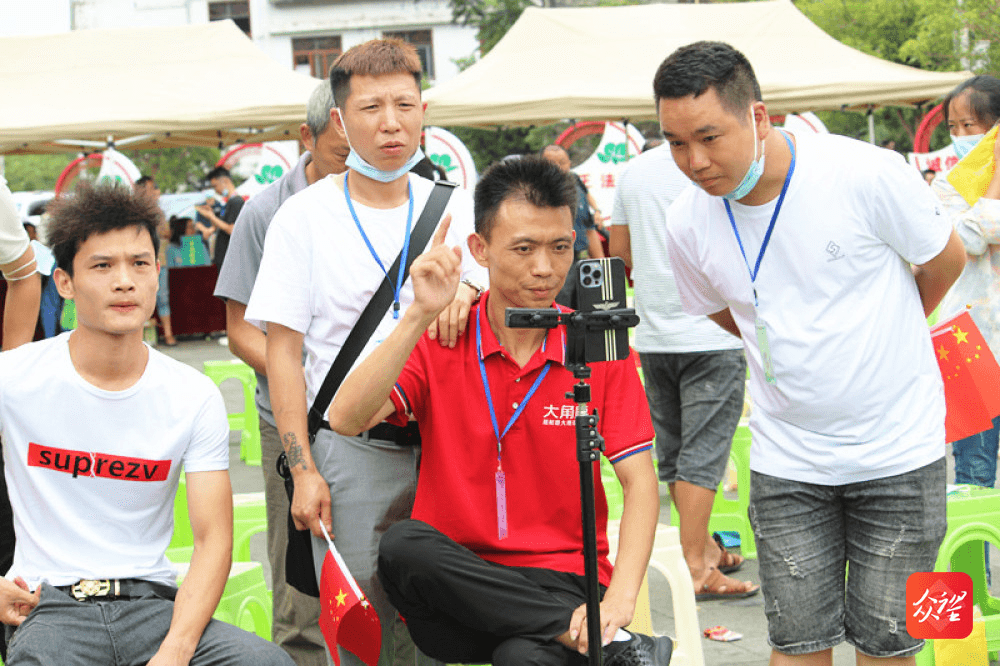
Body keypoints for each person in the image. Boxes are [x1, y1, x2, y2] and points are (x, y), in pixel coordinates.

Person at [656, 41, 965, 665]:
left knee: (893, 644)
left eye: (710, 137)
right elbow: (730, 312)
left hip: (902, 453)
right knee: (795, 645)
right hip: (788, 461)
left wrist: (888, 331)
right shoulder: (686, 221)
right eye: (676, 143)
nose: (695, 161)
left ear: (759, 118)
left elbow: (945, 259)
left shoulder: (864, 173)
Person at [326, 155, 672, 666]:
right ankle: (614, 649)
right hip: (459, 584)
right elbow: (345, 419)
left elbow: (641, 483)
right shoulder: (443, 335)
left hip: (564, 580)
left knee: (521, 658)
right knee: (403, 544)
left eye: (560, 247)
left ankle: (579, 633)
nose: (545, 268)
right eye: (524, 248)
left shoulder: (595, 345)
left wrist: (619, 598)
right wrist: (417, 314)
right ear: (479, 249)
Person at [244, 38, 487, 666]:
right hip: (351, 455)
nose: (390, 123)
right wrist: (303, 469)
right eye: (371, 107)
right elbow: (284, 356)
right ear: (339, 121)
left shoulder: (461, 212)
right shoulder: (301, 219)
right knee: (362, 634)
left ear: (423, 111)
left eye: (404, 104)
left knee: (451, 630)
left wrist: (466, 289)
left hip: (448, 451)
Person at [0, 183, 294, 666]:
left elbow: (213, 539)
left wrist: (176, 650)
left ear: (158, 274)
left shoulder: (191, 395)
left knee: (268, 663)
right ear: (64, 283)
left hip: (154, 606)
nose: (124, 281)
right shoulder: (17, 379)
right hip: (50, 609)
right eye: (102, 266)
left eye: (139, 264)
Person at [214, 80, 350, 666]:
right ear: (307, 138)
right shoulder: (266, 211)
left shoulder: (396, 201)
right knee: (300, 582)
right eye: (342, 154)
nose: (355, 166)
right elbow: (241, 327)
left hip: (380, 420)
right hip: (291, 424)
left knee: (384, 571)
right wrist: (299, 375)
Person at [607, 144, 755, 601]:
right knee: (704, 453)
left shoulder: (632, 173)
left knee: (674, 450)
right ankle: (695, 564)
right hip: (713, 331)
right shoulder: (724, 162)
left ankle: (701, 546)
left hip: (655, 334)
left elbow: (619, 251)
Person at [933, 75, 1000, 490]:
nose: (959, 136)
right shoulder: (947, 185)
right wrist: (994, 184)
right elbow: (966, 239)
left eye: (969, 126)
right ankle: (974, 558)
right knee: (973, 479)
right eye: (953, 127)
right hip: (966, 341)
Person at [541, 145, 604, 308]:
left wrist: (602, 264)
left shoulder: (575, 183)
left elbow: (589, 229)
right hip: (556, 265)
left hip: (583, 262)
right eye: (550, 163)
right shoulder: (537, 195)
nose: (557, 167)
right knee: (562, 310)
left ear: (569, 163)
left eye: (562, 162)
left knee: (588, 311)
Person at [135, 175, 176, 346]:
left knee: (163, 297)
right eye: (153, 188)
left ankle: (168, 335)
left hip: (160, 260)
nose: (156, 191)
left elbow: (167, 233)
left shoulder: (158, 212)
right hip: (139, 262)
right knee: (140, 297)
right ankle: (140, 338)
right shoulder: (134, 212)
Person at [195, 166, 244, 268]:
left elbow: (231, 229)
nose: (215, 190)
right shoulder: (227, 203)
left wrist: (212, 217)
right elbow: (220, 226)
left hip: (230, 261)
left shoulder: (236, 202)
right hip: (222, 259)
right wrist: (211, 215)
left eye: (215, 186)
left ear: (225, 181)